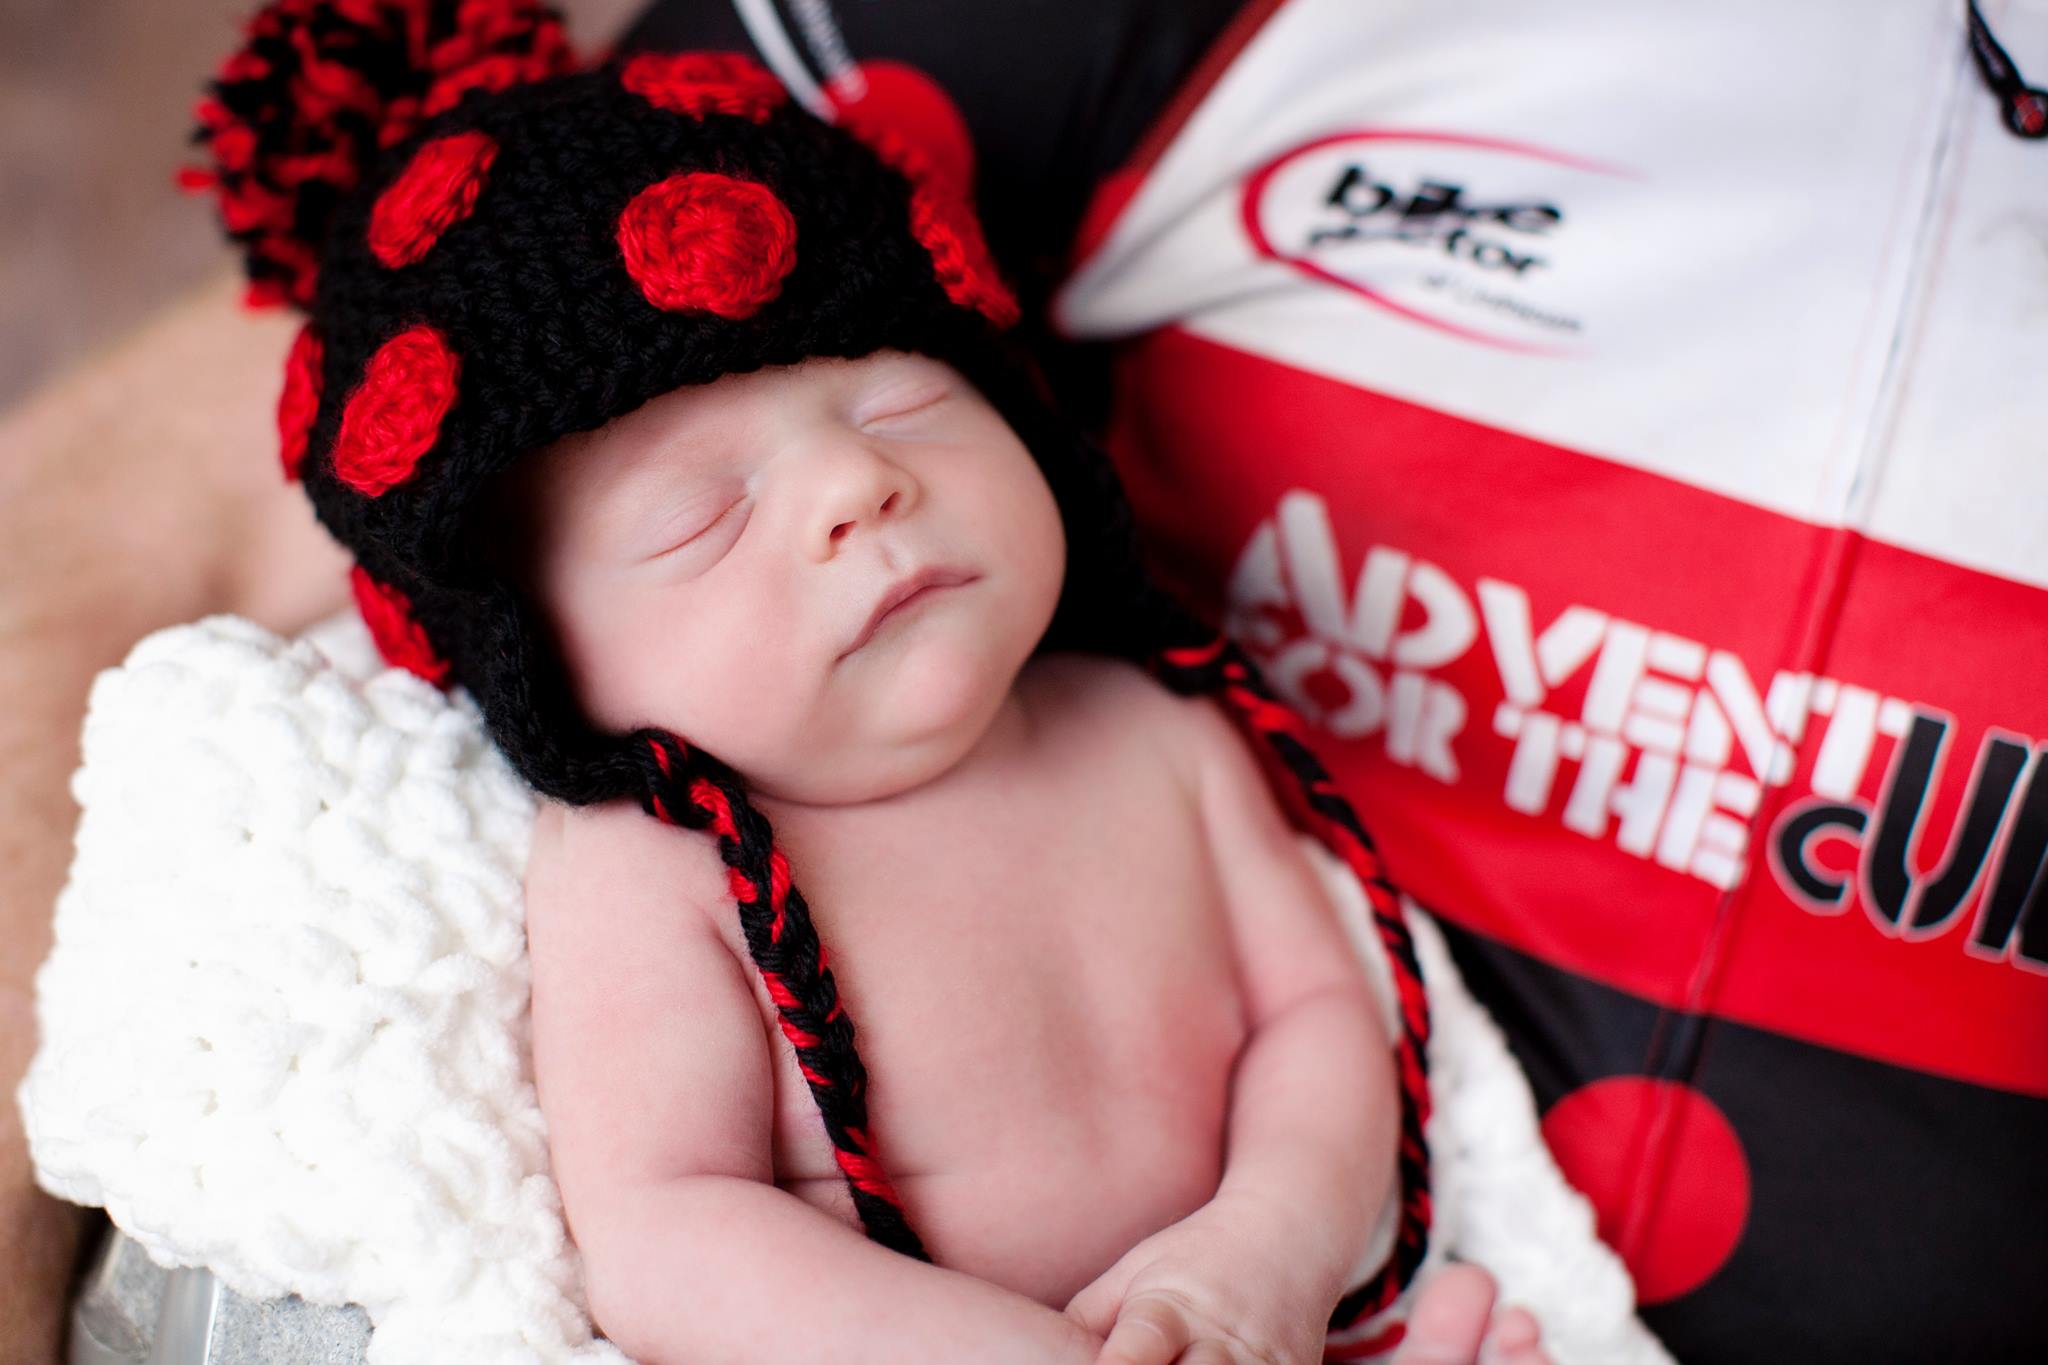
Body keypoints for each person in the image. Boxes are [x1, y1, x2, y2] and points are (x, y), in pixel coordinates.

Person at [124, 4, 1551, 1362]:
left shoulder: (1155, 726)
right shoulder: (660, 866)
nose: (858, 487)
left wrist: (1261, 1258)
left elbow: (1321, 1021)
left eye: (903, 403)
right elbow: (670, 1230)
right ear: (541, 661)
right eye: (703, 516)